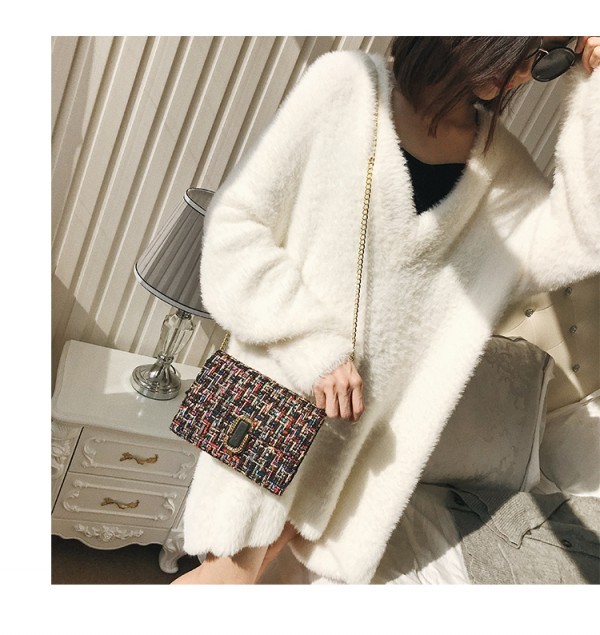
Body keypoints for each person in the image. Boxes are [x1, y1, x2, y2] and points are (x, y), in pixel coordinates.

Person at [172, 36, 600, 585]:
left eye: (544, 60)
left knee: (249, 582)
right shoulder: (344, 87)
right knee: (224, 581)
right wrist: (316, 348)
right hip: (276, 401)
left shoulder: (502, 170)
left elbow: (581, 238)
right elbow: (235, 228)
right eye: (525, 50)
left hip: (352, 444)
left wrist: (593, 89)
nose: (524, 72)